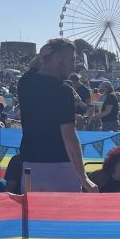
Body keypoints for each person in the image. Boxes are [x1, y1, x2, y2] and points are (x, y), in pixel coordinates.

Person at [17, 39, 96, 193]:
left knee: (33, 216)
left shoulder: (25, 83)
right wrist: (83, 176)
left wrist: (40, 56)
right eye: (71, 60)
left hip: (30, 167)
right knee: (63, 217)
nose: (74, 66)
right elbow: (69, 136)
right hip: (60, 168)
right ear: (58, 59)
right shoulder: (63, 90)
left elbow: (32, 68)